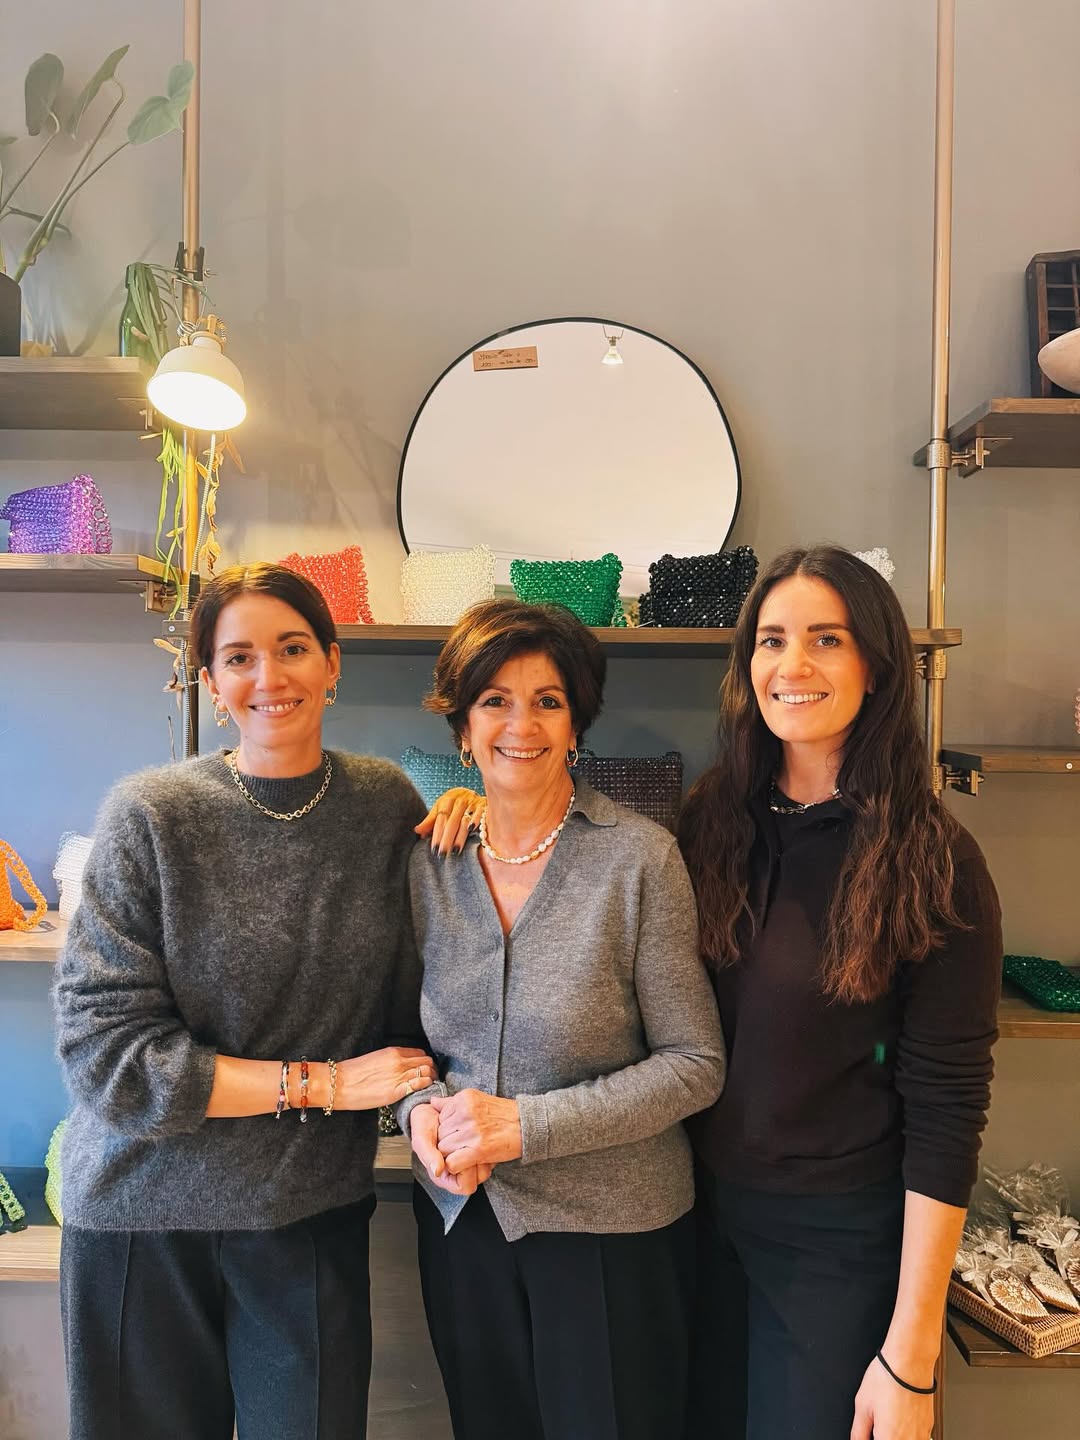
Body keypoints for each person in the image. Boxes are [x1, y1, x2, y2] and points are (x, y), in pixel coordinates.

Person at [53, 562, 442, 1440]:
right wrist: (323, 1084)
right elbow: (109, 1061)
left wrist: (476, 817)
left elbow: (417, 1004)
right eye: (239, 657)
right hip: (141, 1216)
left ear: (333, 662)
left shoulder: (385, 805)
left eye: (293, 648)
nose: (270, 677)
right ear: (209, 678)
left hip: (307, 1218)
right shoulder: (151, 815)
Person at [677, 545, 1002, 1440]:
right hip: (694, 1220)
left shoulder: (932, 858)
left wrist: (911, 1357)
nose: (793, 664)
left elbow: (947, 1110)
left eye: (827, 639)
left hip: (836, 1246)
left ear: (878, 667)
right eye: (772, 639)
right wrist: (475, 805)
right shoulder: (711, 820)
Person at [398, 597, 726, 1440]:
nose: (522, 725)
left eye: (547, 701)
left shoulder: (639, 858)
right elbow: (399, 1048)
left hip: (612, 1235)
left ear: (577, 723)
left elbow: (694, 1063)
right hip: (463, 1225)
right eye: (494, 701)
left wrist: (525, 1128)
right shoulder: (428, 865)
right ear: (463, 727)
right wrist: (421, 1115)